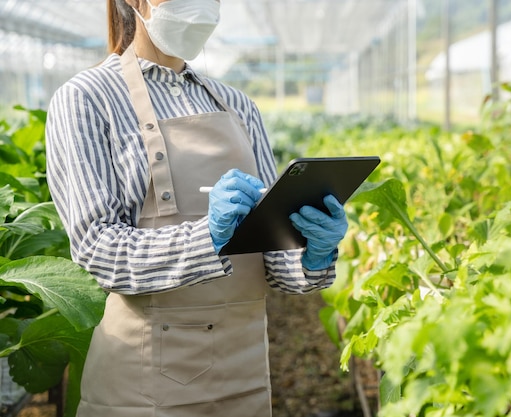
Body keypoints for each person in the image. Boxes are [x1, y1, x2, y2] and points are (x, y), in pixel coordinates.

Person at [44, 0, 348, 415]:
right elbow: (99, 250)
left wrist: (310, 252)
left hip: (245, 375)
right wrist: (207, 237)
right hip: (145, 383)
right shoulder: (86, 99)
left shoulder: (237, 106)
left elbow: (273, 263)